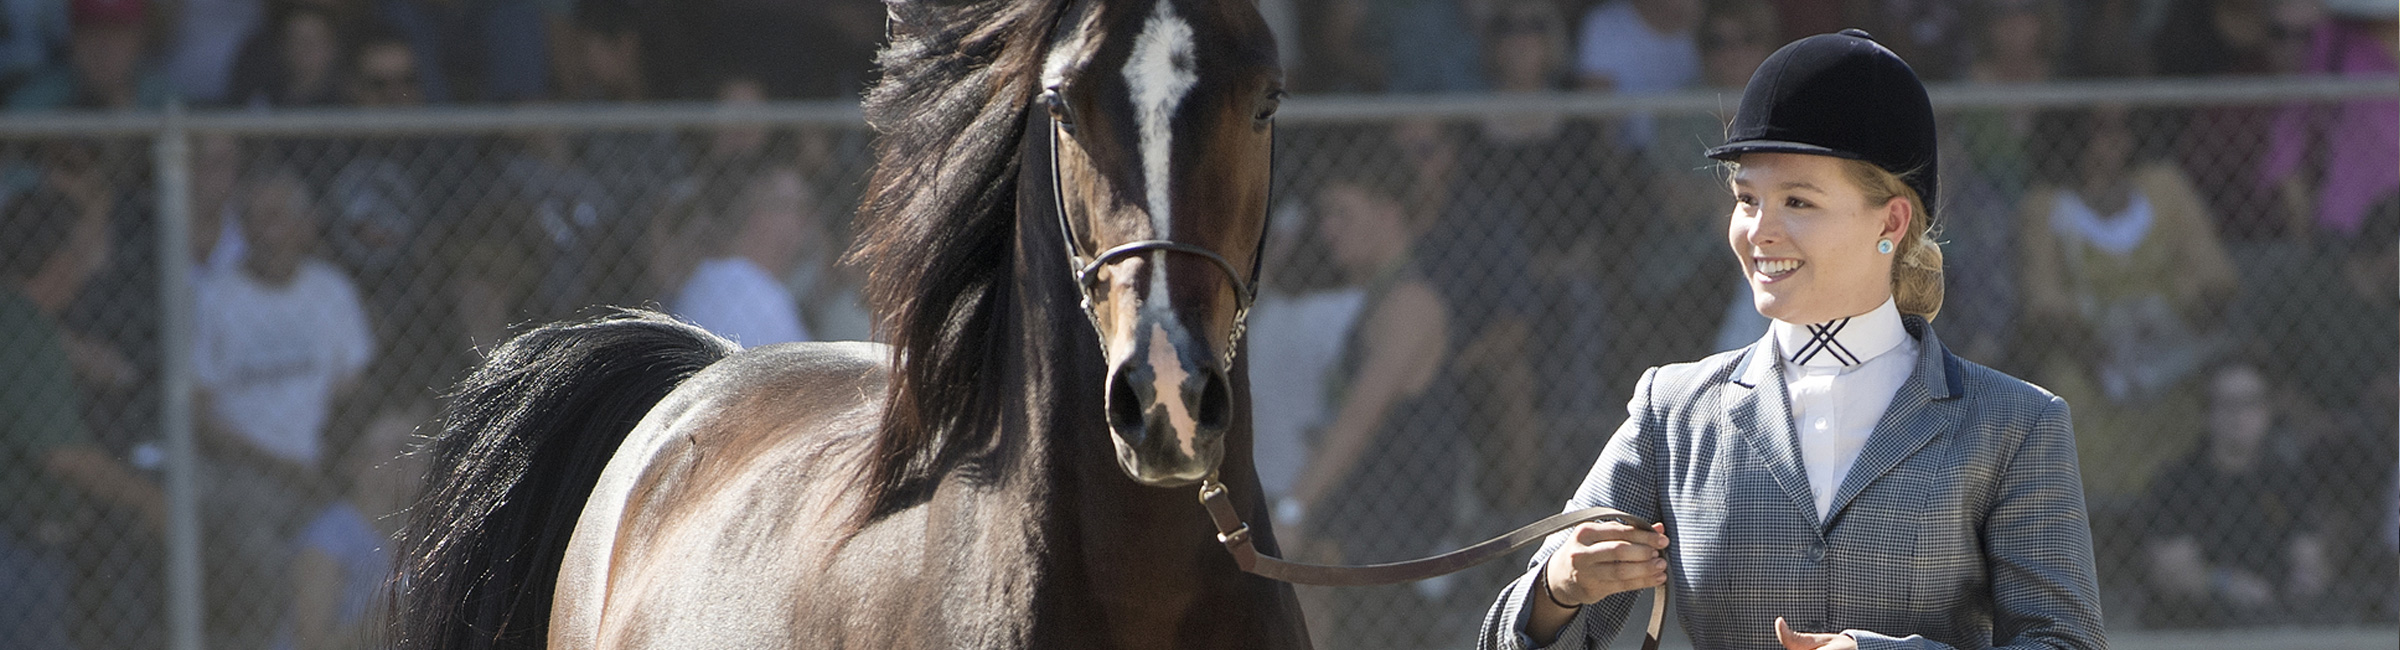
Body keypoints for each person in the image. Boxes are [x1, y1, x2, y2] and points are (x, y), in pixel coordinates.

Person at [1481, 30, 2103, 650]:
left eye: (1797, 201)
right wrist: (1558, 591)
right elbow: (1509, 637)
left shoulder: (2018, 422)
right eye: (1746, 199)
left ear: (1890, 221)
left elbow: (2068, 644)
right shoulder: (1672, 410)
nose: (1759, 232)